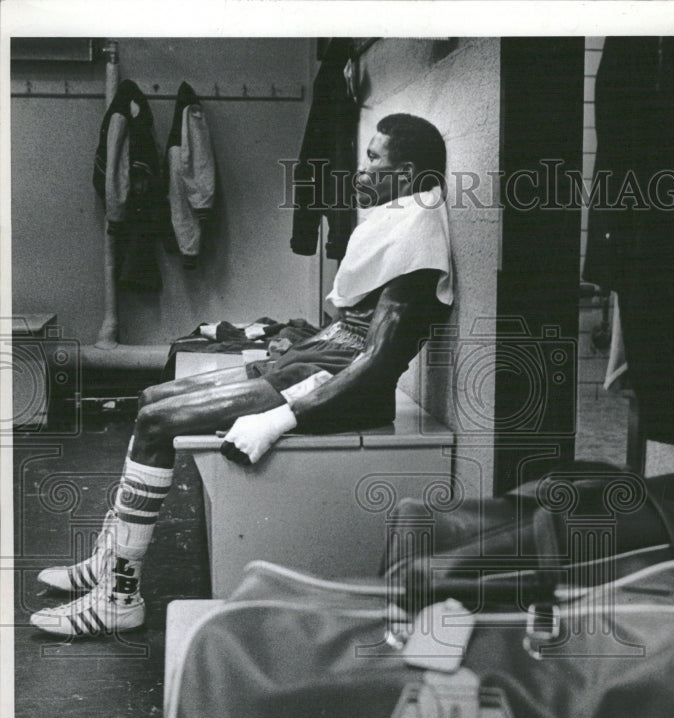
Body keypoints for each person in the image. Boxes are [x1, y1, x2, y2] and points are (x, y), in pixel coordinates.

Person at [31, 113, 454, 637]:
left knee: (159, 423)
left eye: (373, 159)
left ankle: (120, 594)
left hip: (337, 392)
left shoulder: (421, 240)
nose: (362, 170)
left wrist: (281, 417)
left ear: (407, 171)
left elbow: (374, 364)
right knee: (151, 397)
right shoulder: (402, 217)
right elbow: (349, 329)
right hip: (316, 365)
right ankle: (108, 558)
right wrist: (288, 345)